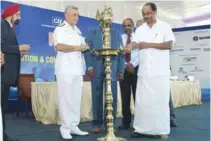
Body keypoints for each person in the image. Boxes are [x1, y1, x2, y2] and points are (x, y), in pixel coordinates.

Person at [125, 2, 176, 138]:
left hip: (160, 72)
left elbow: (169, 44)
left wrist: (148, 45)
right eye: (144, 14)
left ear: (155, 12)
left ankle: (161, 130)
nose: (146, 16)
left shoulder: (165, 26)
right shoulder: (140, 29)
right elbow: (136, 42)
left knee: (159, 101)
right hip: (144, 72)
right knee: (142, 102)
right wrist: (131, 46)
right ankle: (140, 129)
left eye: (148, 13)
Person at [53, 6, 89, 140]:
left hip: (77, 69)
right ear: (66, 16)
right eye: (74, 15)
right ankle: (65, 128)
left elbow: (82, 48)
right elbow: (59, 46)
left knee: (76, 99)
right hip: (65, 69)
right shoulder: (60, 29)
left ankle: (74, 126)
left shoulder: (78, 31)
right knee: (65, 99)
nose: (76, 17)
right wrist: (77, 47)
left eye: (78, 15)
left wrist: (85, 47)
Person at [85, 18, 125, 133]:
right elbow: (87, 50)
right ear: (101, 20)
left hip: (113, 68)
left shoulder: (116, 33)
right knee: (96, 95)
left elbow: (121, 52)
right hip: (96, 68)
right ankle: (97, 123)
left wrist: (121, 70)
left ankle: (110, 124)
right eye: (106, 19)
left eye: (110, 19)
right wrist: (89, 67)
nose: (108, 21)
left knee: (112, 96)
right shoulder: (92, 31)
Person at [1, 4, 30, 141]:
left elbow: (9, 50)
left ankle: (3, 134)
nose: (19, 17)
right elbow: (2, 46)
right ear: (10, 14)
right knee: (1, 107)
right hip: (2, 73)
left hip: (6, 74)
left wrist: (20, 53)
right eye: (17, 14)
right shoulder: (2, 25)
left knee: (3, 107)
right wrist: (19, 48)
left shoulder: (9, 28)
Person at [118, 18, 139, 130]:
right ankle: (126, 122)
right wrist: (126, 64)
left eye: (129, 25)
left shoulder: (139, 38)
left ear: (133, 26)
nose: (127, 28)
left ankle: (139, 123)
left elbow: (142, 54)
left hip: (137, 70)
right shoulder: (120, 39)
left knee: (138, 97)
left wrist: (133, 64)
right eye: (125, 26)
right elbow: (119, 54)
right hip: (124, 70)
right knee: (124, 97)